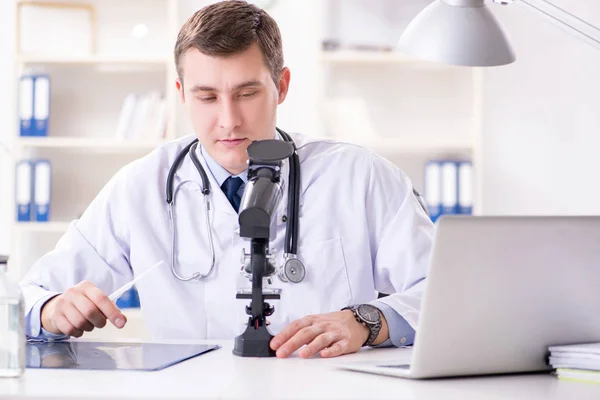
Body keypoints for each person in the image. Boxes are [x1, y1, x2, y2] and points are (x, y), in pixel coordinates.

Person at [20, 0, 434, 359]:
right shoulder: (141, 188)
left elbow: (445, 293)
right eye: (207, 97)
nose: (229, 121)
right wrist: (51, 310)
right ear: (182, 94)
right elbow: (28, 297)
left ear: (282, 86)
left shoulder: (359, 177)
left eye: (247, 93)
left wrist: (366, 320)